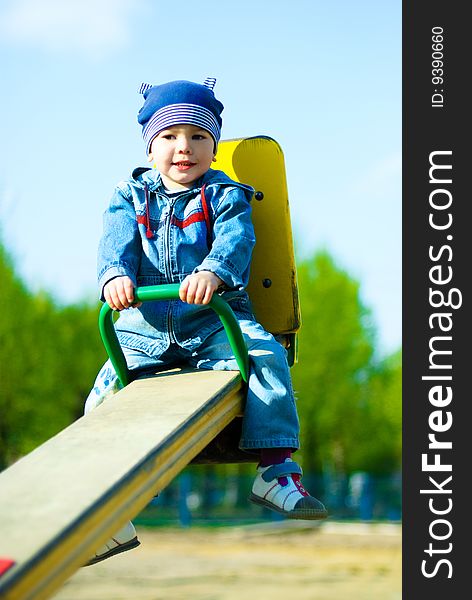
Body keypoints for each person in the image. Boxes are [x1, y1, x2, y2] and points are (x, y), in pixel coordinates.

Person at [84, 78, 327, 565]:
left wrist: (213, 272)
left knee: (266, 358)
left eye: (198, 137)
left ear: (213, 146)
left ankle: (275, 470)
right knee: (102, 401)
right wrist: (115, 279)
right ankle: (109, 510)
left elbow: (235, 242)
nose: (184, 148)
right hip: (143, 332)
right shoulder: (128, 196)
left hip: (214, 325)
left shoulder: (224, 194)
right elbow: (114, 248)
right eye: (170, 136)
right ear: (151, 144)